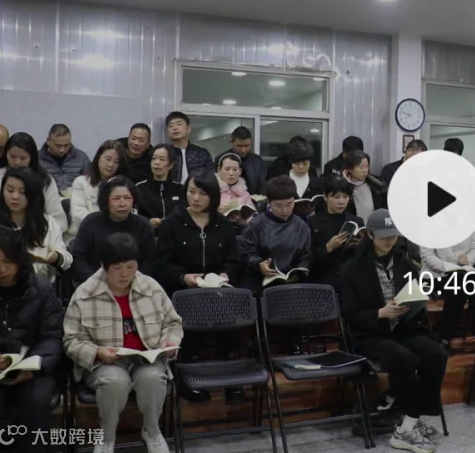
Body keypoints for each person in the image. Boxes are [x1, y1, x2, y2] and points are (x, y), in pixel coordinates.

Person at [338, 209, 447, 453]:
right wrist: (380, 313)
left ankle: (410, 421)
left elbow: (414, 298)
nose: (389, 241)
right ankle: (406, 427)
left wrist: (415, 303)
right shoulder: (351, 269)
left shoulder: (404, 263)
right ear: (370, 234)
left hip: (401, 328)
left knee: (436, 354)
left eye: (394, 236)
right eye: (384, 236)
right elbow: (350, 315)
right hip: (368, 333)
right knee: (404, 358)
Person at [63, 232, 182, 453]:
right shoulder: (85, 294)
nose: (125, 274)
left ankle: (152, 431)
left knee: (152, 378)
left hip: (146, 358)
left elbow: (173, 323)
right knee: (114, 381)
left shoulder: (151, 287)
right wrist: (98, 352)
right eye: (117, 268)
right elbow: (71, 340)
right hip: (105, 363)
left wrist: (169, 341)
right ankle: (106, 436)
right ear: (103, 266)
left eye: (130, 266)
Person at [154, 170, 242, 403]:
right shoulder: (172, 224)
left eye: (202, 193)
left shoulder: (223, 224)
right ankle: (187, 379)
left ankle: (231, 378)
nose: (195, 198)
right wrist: (183, 277)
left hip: (217, 290)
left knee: (232, 319)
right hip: (182, 291)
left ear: (213, 196)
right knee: (189, 312)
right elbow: (161, 264)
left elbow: (233, 259)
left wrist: (225, 274)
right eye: (191, 192)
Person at [0, 225, 64, 453]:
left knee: (35, 401)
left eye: (7, 261)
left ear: (19, 259)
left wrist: (33, 366)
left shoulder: (41, 289)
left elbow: (53, 337)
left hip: (34, 369)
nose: (1, 270)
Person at [0, 167, 72, 279]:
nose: (15, 196)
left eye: (22, 192)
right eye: (10, 190)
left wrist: (56, 258)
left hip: (38, 285)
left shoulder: (48, 223)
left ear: (33, 195)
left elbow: (66, 262)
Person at [70, 176, 155, 285]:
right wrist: (93, 281)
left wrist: (131, 281)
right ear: (106, 200)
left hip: (134, 283)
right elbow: (78, 257)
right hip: (94, 282)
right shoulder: (91, 222)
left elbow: (150, 260)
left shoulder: (143, 225)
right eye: (116, 199)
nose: (122, 204)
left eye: (127, 198)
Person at [238, 176, 312, 295]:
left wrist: (300, 271)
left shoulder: (301, 226)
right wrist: (259, 265)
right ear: (269, 202)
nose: (285, 210)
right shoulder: (256, 224)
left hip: (293, 285)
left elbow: (306, 255)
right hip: (261, 284)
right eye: (278, 205)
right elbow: (246, 253)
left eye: (289, 204)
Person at [0, 132, 68, 232]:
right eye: (12, 157)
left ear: (31, 158)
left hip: (36, 234)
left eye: (23, 158)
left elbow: (60, 222)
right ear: (5, 155)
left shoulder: (45, 180)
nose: (17, 162)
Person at [419, 230, 475, 349]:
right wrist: (450, 267)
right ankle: (449, 334)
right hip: (436, 274)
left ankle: (445, 334)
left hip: (464, 270)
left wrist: (468, 259)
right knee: (462, 285)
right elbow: (427, 256)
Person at [306, 175, 364, 285]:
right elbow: (308, 258)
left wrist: (361, 246)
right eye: (336, 197)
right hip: (323, 280)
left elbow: (363, 258)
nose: (341, 202)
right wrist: (328, 247)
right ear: (325, 197)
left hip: (349, 280)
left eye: (345, 197)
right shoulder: (313, 222)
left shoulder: (357, 221)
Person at [69, 140, 130, 237]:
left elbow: (130, 215)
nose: (111, 165)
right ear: (98, 158)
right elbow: (78, 215)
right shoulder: (81, 182)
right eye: (108, 159)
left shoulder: (125, 186)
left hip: (118, 236)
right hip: (86, 235)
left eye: (116, 162)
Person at [135, 144, 183, 229]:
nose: (156, 162)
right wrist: (148, 221)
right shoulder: (139, 188)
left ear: (171, 165)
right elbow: (134, 215)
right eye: (154, 158)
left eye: (162, 159)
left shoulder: (180, 189)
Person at [38, 124, 91, 193]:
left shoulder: (81, 158)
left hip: (76, 197)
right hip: (48, 198)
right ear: (48, 141)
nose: (62, 150)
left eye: (66, 145)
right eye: (58, 146)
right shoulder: (37, 159)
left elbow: (91, 183)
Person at [165, 111, 214, 184]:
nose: (175, 128)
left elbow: (211, 176)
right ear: (168, 132)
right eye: (170, 126)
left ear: (188, 129)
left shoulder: (202, 153)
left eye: (179, 124)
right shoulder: (165, 153)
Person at [214, 126, 265, 195]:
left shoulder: (257, 160)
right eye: (239, 146)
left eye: (247, 145)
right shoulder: (221, 159)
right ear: (232, 142)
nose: (243, 150)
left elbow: (262, 186)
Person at [343, 150, 385, 224]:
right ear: (350, 169)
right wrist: (348, 183)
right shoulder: (342, 187)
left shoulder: (376, 184)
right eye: (361, 167)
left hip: (374, 227)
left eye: (367, 166)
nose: (365, 171)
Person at [283, 140, 322, 219]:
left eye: (305, 164)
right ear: (291, 162)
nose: (301, 167)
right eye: (297, 164)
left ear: (310, 163)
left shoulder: (317, 183)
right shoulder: (280, 181)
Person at [216, 153, 256, 227]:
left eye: (235, 169)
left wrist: (242, 222)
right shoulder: (211, 191)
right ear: (219, 170)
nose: (231, 173)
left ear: (240, 171)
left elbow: (254, 220)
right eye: (227, 169)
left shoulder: (245, 194)